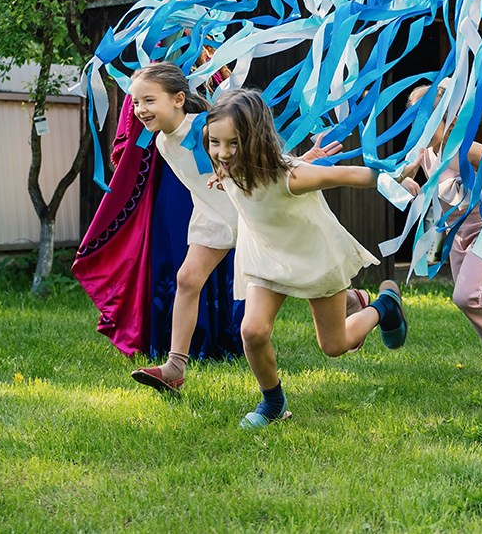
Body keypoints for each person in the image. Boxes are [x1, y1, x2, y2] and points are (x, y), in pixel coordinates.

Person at [124, 63, 365, 395]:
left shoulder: (205, 127)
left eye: (148, 100)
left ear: (178, 99)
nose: (140, 110)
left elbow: (256, 154)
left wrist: (299, 160)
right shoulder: (164, 142)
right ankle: (175, 368)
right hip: (212, 213)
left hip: (249, 213)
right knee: (187, 279)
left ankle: (350, 299)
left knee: (291, 274)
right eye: (135, 103)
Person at [205, 89, 411, 428]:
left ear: (254, 139)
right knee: (253, 331)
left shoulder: (290, 177)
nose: (223, 153)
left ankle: (384, 306)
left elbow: (347, 176)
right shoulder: (228, 167)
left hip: (312, 258)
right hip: (266, 257)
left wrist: (396, 179)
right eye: (216, 142)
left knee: (335, 345)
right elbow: (230, 170)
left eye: (233, 144)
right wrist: (222, 172)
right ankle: (273, 403)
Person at [400, 81, 482, 378]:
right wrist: (406, 180)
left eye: (428, 124)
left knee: (466, 294)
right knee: (467, 298)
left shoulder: (464, 150)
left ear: (451, 121)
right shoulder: (425, 153)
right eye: (417, 124)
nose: (421, 131)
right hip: (459, 233)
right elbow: (401, 175)